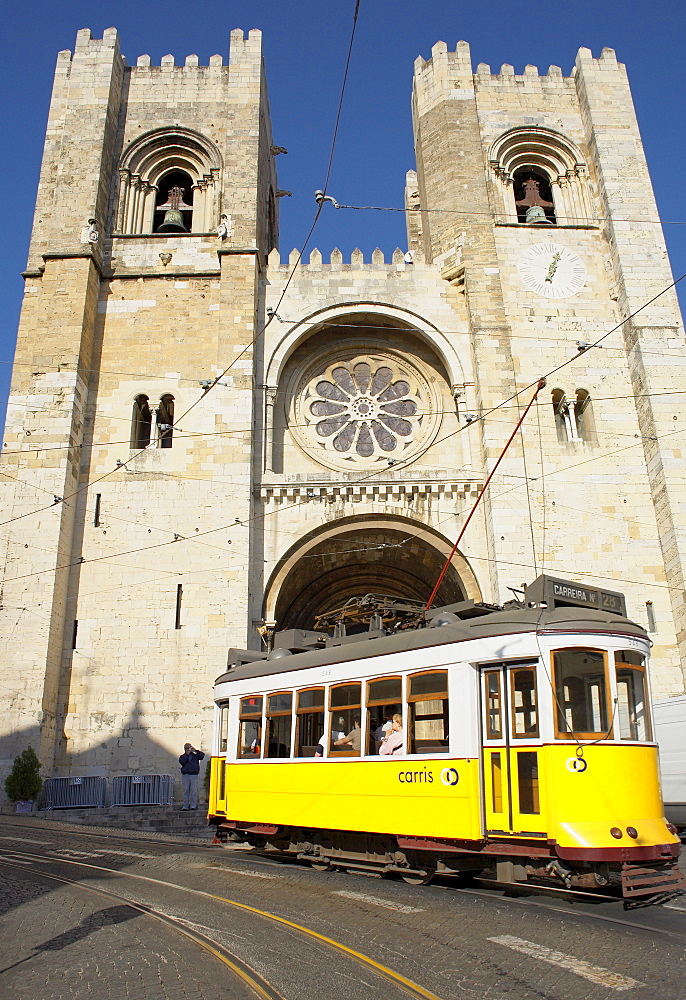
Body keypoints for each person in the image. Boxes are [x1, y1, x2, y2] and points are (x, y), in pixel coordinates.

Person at [179, 742, 205, 810]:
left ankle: (193, 805)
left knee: (194, 790)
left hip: (194, 774)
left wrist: (195, 750)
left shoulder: (195, 755)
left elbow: (202, 756)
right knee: (186, 790)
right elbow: (182, 762)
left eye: (189, 747)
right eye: (187, 748)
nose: (188, 749)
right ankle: (185, 806)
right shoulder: (183, 756)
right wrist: (187, 754)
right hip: (186, 774)